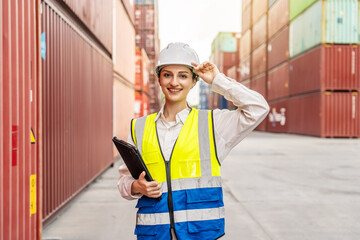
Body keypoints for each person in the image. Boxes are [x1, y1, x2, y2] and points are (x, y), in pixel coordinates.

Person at [117, 42, 269, 240]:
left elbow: (258, 108)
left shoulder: (213, 125)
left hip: (200, 234)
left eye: (183, 75)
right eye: (167, 74)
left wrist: (217, 80)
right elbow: (123, 182)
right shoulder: (139, 127)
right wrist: (136, 187)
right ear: (159, 79)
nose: (174, 82)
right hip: (154, 235)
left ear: (194, 81)